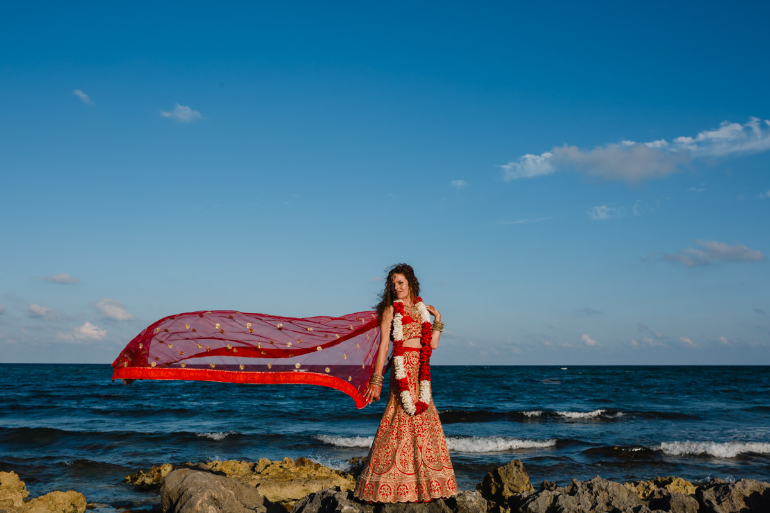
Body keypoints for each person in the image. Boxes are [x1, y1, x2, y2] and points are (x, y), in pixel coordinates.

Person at [353, 263, 457, 503]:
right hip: (402, 371)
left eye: (400, 282)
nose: (396, 287)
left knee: (423, 423)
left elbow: (431, 345)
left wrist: (438, 320)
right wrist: (376, 380)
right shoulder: (391, 311)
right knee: (398, 421)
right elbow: (383, 348)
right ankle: (384, 484)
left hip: (420, 371)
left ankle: (423, 487)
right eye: (393, 284)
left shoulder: (421, 310)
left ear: (410, 282)